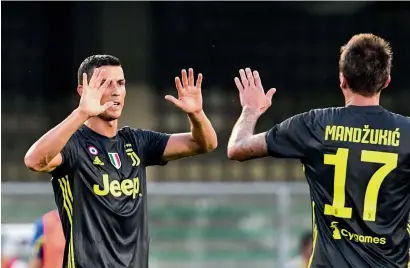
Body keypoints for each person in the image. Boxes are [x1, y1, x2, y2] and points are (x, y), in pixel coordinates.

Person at [227, 33, 410, 267]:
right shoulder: (406, 133)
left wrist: (251, 110)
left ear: (342, 79)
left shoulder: (315, 125)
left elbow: (237, 148)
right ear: (386, 81)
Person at [24, 55, 218, 268]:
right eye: (106, 84)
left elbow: (204, 144)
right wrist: (81, 113)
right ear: (84, 91)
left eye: (121, 83)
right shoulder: (73, 147)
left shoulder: (138, 142)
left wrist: (197, 114)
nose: (116, 91)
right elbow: (35, 161)